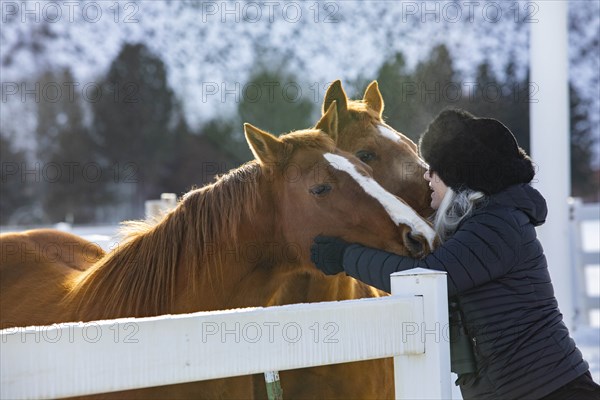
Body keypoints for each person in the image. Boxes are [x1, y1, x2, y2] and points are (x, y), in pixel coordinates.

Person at [311, 109, 600, 400]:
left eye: (433, 169)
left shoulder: (497, 226)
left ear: (457, 177)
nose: (426, 175)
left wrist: (346, 257)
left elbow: (428, 277)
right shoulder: (482, 223)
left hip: (552, 390)